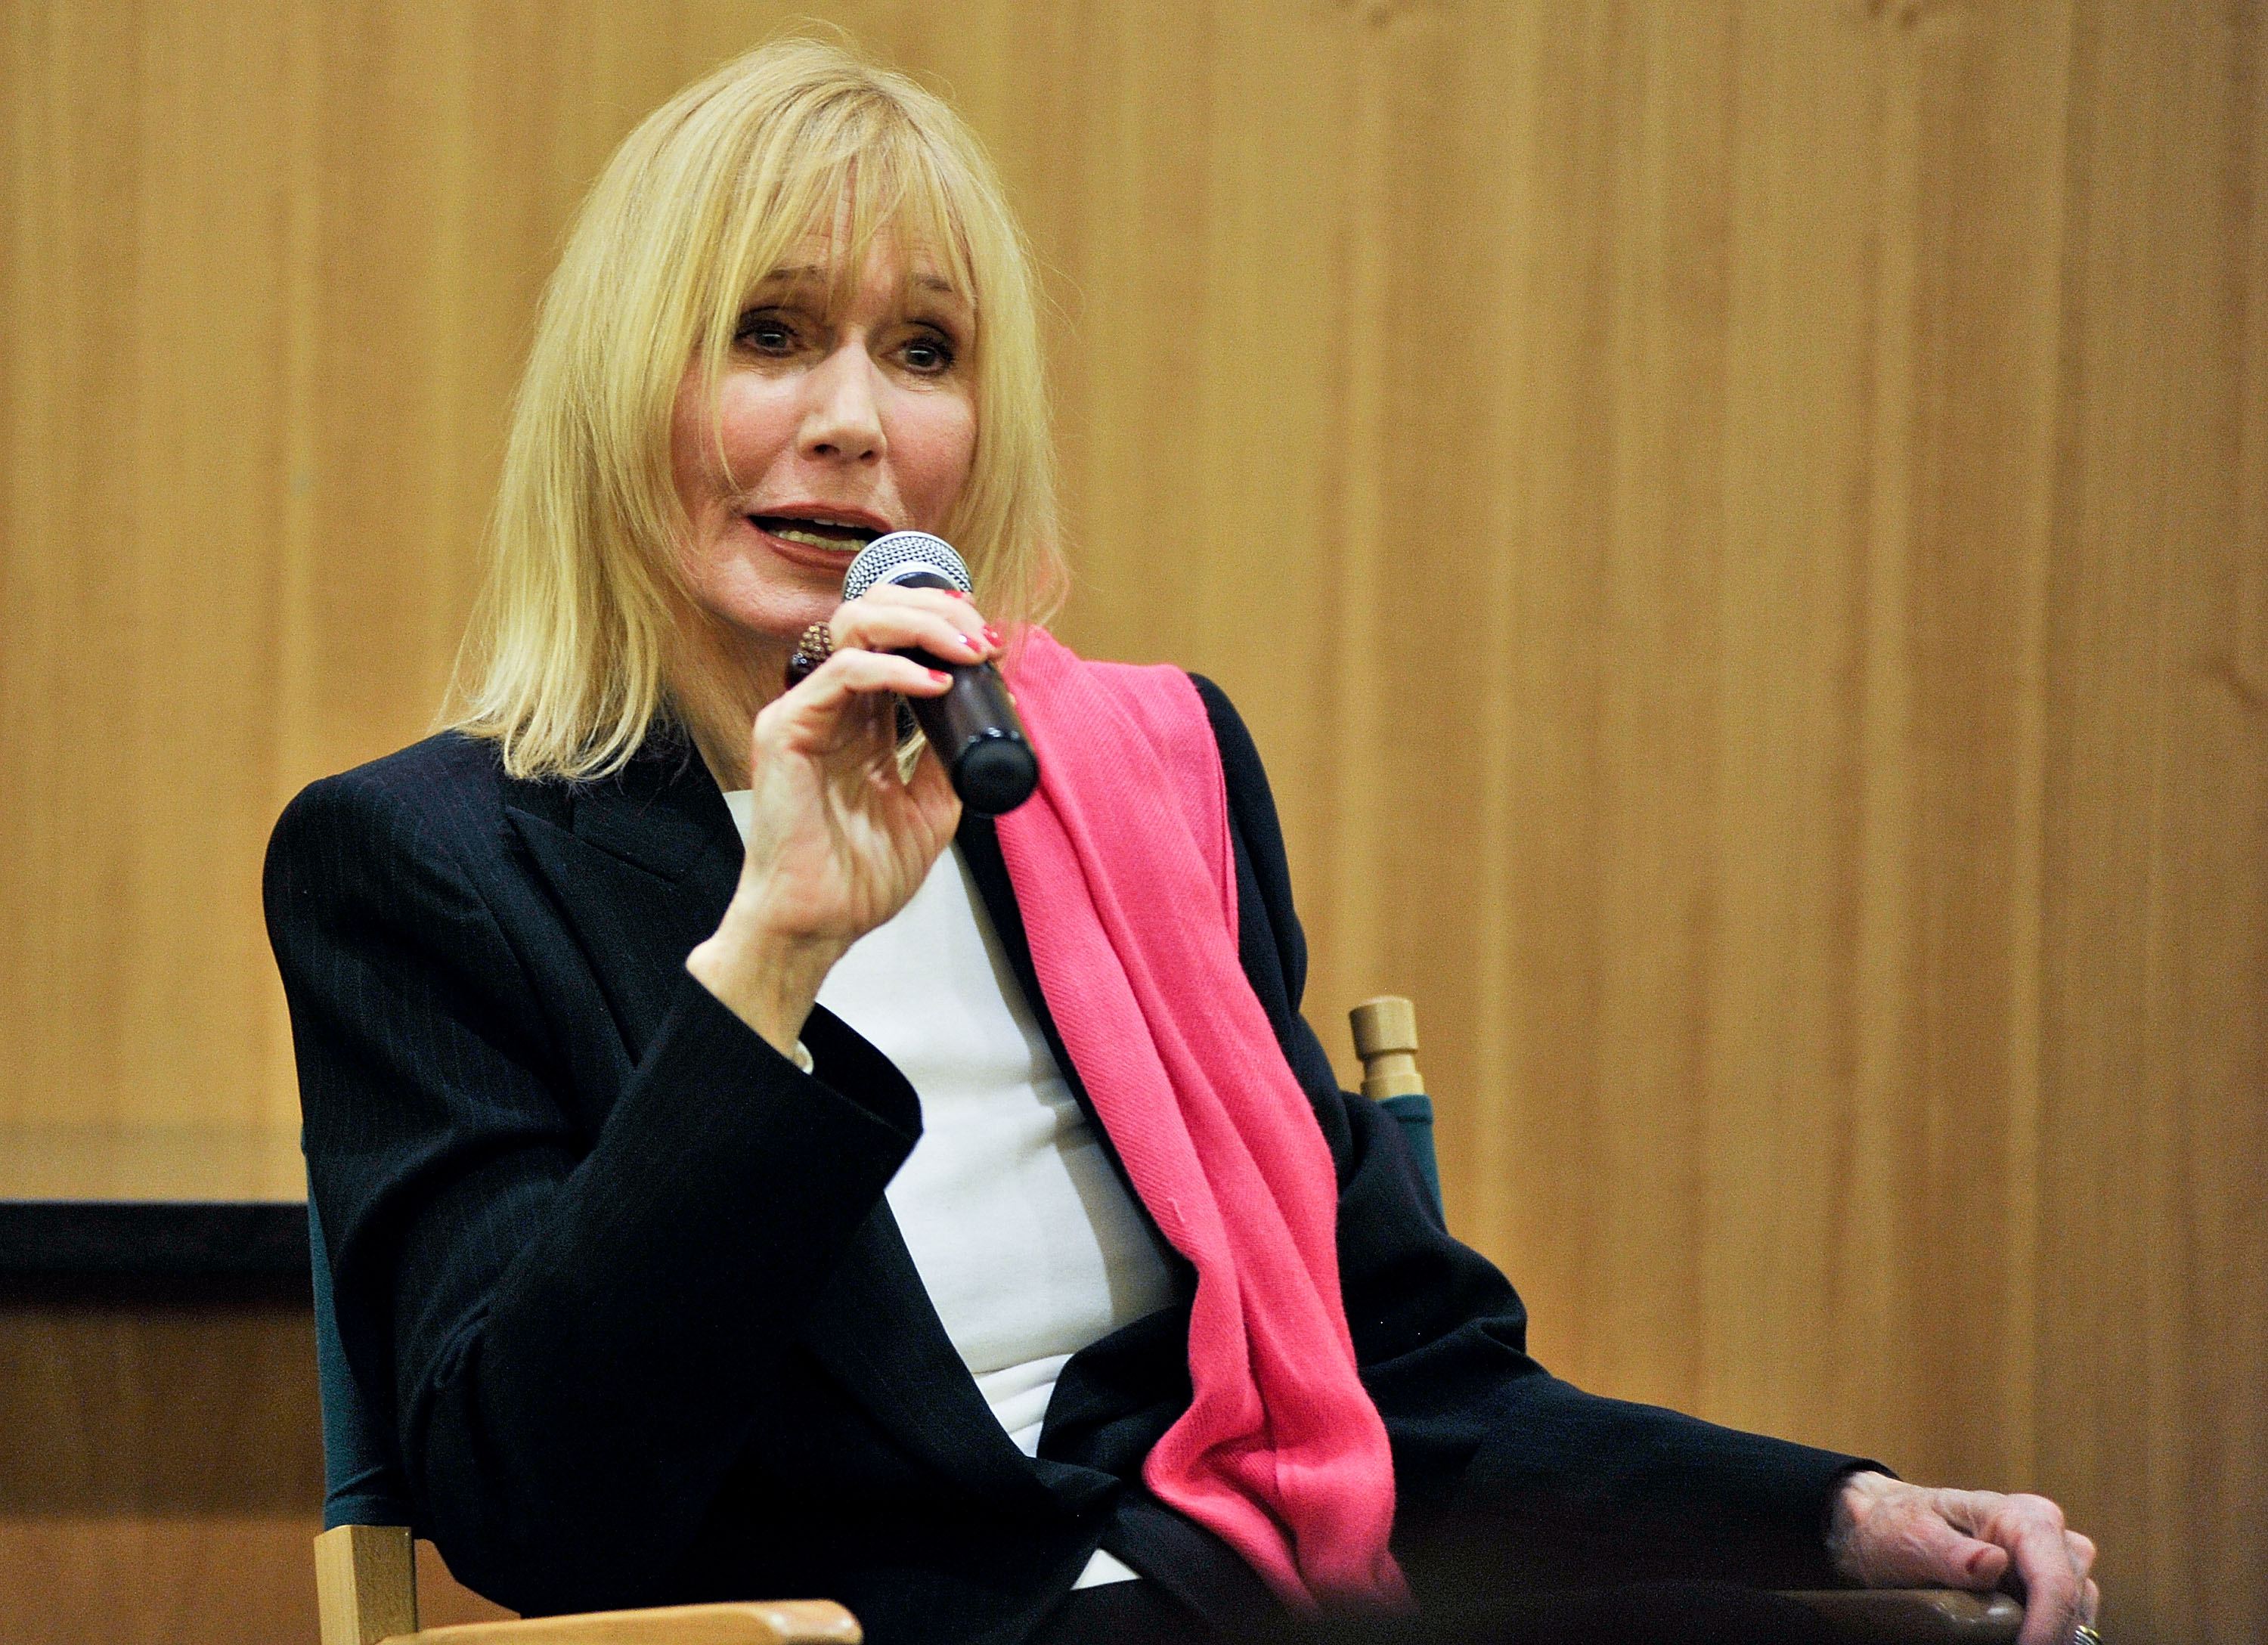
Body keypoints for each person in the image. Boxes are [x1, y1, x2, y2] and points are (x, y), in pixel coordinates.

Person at [265, 38, 2100, 1645]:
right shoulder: (425, 862)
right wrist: (772, 958)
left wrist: (1843, 1515)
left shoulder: (1131, 777)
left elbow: (1409, 1380)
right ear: (615, 390)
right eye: (768, 332)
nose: (852, 420)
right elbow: (538, 1508)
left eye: (924, 349)